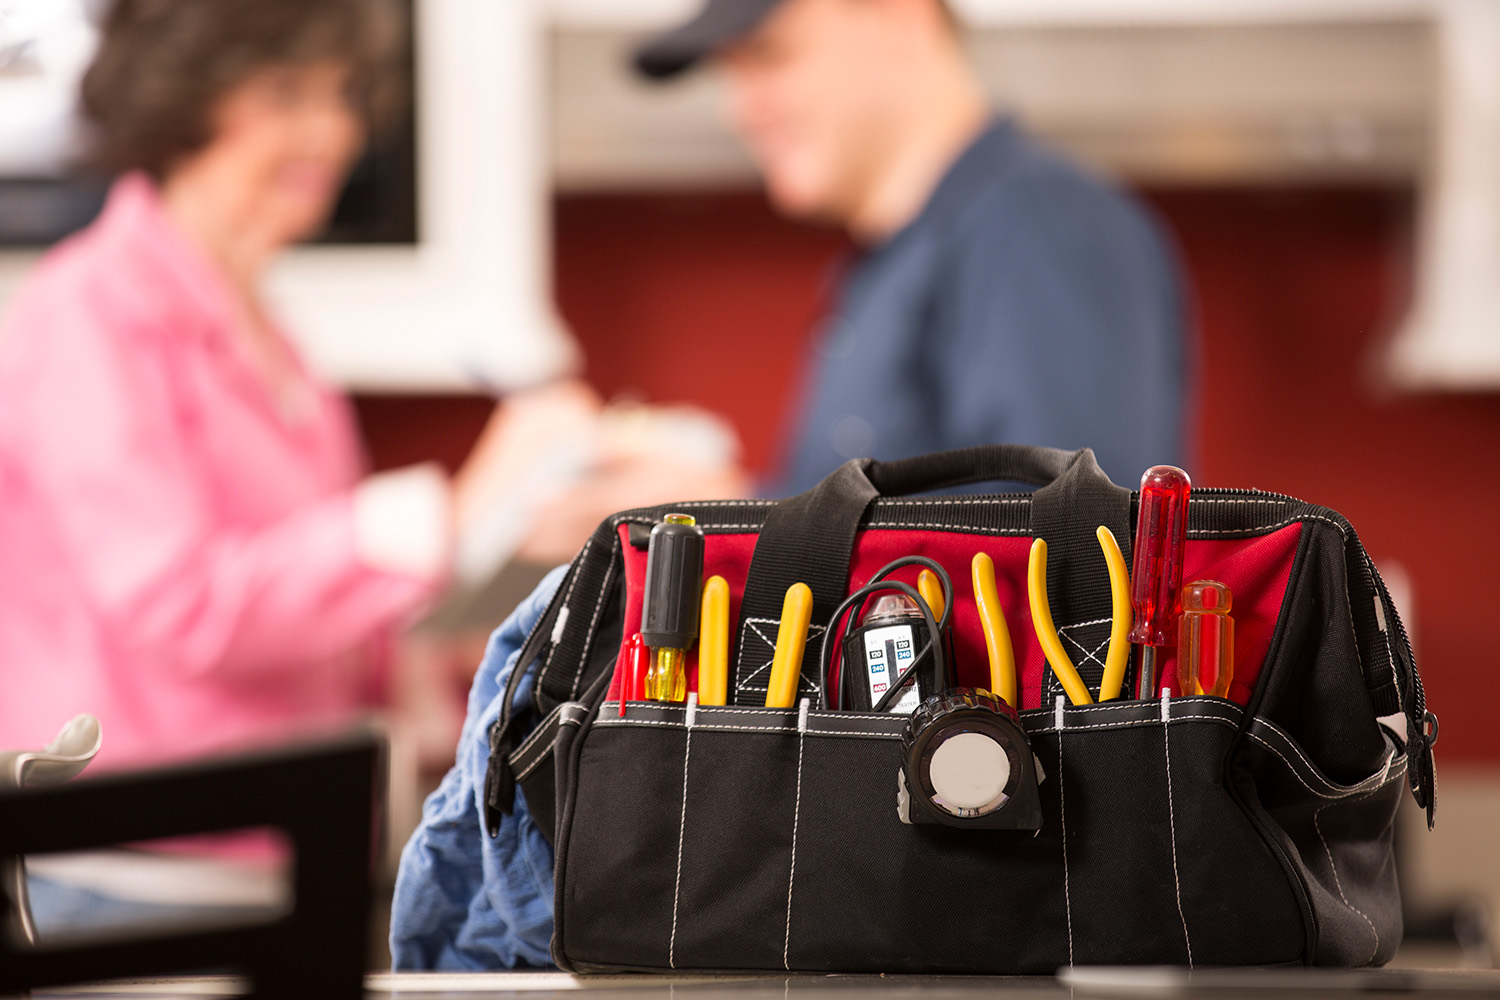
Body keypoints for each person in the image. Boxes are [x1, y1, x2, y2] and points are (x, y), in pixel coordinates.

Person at [634, 0, 1188, 495]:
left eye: (769, 55)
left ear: (900, 15)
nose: (741, 107)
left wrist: (731, 518)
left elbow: (1071, 558)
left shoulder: (1038, 227)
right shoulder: (886, 262)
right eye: (729, 72)